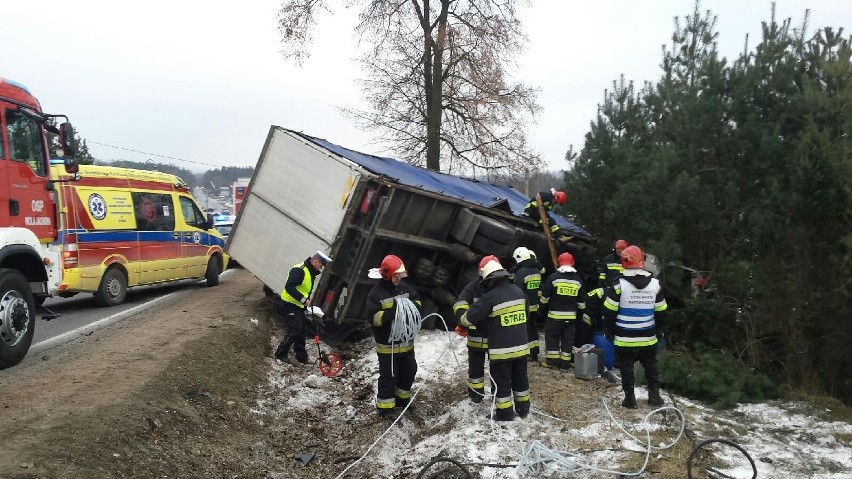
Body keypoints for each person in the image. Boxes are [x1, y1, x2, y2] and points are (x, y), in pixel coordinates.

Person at [462, 257, 530, 421]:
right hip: (521, 347)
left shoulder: (491, 296)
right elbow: (526, 314)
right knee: (520, 379)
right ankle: (523, 409)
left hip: (502, 350)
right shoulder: (519, 291)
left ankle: (505, 414)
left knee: (502, 383)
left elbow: (468, 319)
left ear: (491, 279)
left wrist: (462, 323)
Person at [602, 245, 668, 408]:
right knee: (651, 364)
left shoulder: (618, 285)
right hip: (648, 334)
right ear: (641, 262)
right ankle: (654, 397)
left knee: (626, 365)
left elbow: (609, 311)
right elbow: (662, 312)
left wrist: (609, 330)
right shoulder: (655, 285)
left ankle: (630, 399)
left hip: (624, 335)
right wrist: (658, 330)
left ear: (624, 262)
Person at [366, 254, 422, 417]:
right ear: (388, 274)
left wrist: (414, 308)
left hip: (406, 343)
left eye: (401, 275)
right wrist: (394, 311)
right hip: (387, 345)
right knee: (389, 376)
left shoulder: (404, 288)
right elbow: (374, 319)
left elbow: (416, 299)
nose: (399, 279)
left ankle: (402, 400)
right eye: (396, 276)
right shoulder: (375, 294)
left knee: (410, 370)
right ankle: (385, 408)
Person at [274, 250, 333, 365]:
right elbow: (289, 287)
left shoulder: (309, 271)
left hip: (299, 305)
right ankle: (280, 353)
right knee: (295, 329)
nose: (320, 268)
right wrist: (303, 299)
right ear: (316, 261)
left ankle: (301, 356)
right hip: (291, 304)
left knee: (302, 330)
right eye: (321, 265)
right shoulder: (299, 270)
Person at [452, 255, 498, 403]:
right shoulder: (473, 286)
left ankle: (498, 395)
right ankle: (475, 395)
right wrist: (464, 321)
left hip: (495, 339)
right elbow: (460, 304)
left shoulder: (501, 288)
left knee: (497, 371)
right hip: (476, 336)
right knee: (475, 371)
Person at [539, 252, 586, 369]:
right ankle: (565, 364)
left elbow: (545, 298)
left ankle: (553, 362)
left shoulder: (553, 278)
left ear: (560, 263)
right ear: (572, 264)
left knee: (552, 337)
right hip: (570, 317)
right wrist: (579, 316)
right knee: (568, 340)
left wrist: (541, 312)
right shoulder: (577, 280)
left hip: (554, 316)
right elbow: (581, 303)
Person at [511, 247, 542, 362]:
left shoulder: (522, 272)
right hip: (535, 305)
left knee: (525, 329)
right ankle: (534, 352)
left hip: (525, 306)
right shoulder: (536, 270)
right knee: (533, 329)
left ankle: (528, 352)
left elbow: (517, 290)